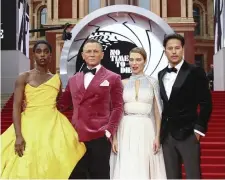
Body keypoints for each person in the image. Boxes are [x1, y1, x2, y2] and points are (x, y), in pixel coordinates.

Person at [0, 40, 86, 179]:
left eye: (46, 52)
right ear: (33, 54)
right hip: (29, 124)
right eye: (39, 51)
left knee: (52, 160)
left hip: (53, 126)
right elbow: (16, 107)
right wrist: (18, 136)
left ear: (51, 56)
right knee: (26, 161)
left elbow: (59, 103)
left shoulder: (56, 79)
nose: (42, 55)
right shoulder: (24, 77)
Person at [57, 38, 124, 179]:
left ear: (102, 54)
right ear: (83, 55)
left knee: (99, 175)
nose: (92, 54)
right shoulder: (73, 79)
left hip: (100, 136)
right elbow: (62, 105)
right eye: (88, 51)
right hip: (77, 136)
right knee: (76, 175)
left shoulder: (113, 78)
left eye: (95, 51)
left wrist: (109, 131)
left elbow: (118, 107)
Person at [158, 33, 212, 179]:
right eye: (170, 48)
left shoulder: (195, 72)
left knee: (193, 175)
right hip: (167, 136)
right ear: (165, 51)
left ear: (182, 49)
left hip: (188, 133)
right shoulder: (161, 74)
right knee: (171, 176)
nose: (174, 51)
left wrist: (198, 130)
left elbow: (206, 103)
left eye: (177, 48)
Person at [110, 47, 167, 179]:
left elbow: (157, 112)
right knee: (127, 163)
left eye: (138, 60)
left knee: (144, 162)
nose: (134, 63)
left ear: (145, 61)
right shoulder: (121, 83)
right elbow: (117, 111)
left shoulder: (153, 82)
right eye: (131, 60)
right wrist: (115, 138)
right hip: (126, 128)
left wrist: (158, 136)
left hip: (146, 128)